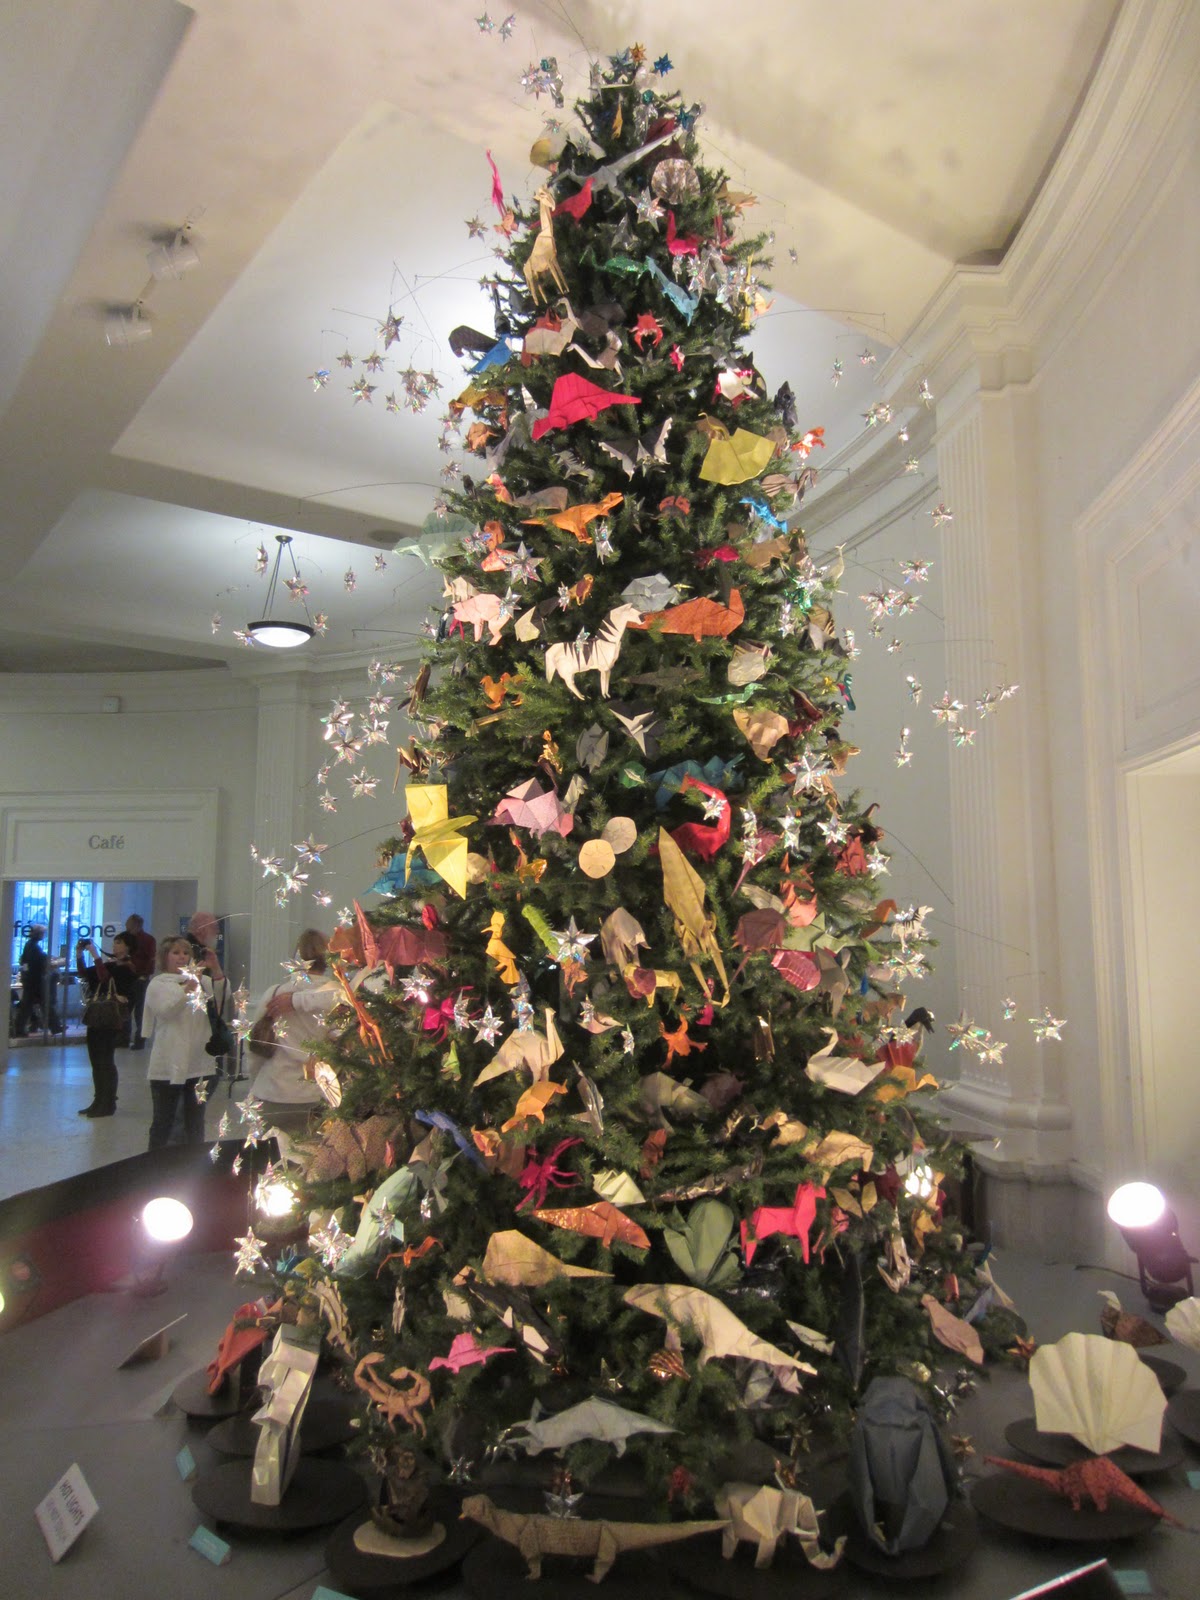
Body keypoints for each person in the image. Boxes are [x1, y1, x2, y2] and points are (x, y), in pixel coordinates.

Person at [249, 929, 339, 1134]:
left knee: (268, 1161)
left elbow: (254, 1048)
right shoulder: (337, 995)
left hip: (272, 1089)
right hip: (315, 1094)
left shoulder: (275, 993)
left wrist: (253, 1081)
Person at [143, 935, 212, 1149]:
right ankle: (156, 1165)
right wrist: (187, 989)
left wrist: (215, 970)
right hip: (168, 1061)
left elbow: (223, 997)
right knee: (164, 1121)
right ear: (165, 958)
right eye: (175, 953)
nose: (181, 957)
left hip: (198, 1062)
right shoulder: (158, 984)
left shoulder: (203, 981)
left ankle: (192, 1165)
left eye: (185, 953)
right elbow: (166, 1012)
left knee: (195, 1122)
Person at [75, 933, 138, 1117]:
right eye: (115, 942)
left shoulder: (128, 967)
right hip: (97, 1016)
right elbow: (85, 975)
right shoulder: (110, 964)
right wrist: (79, 955)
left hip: (111, 1018)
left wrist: (95, 955)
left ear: (128, 947)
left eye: (119, 942)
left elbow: (106, 978)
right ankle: (98, 1099)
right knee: (96, 1060)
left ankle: (108, 1102)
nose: (115, 945)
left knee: (106, 1060)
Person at [13, 925, 61, 1036]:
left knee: (29, 1005)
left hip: (31, 981)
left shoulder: (29, 945)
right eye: (43, 933)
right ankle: (55, 1027)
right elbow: (39, 961)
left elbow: (25, 961)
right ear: (38, 934)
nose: (43, 936)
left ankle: (55, 1027)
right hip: (35, 982)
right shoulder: (34, 947)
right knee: (41, 1004)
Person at [123, 914, 157, 1049]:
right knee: (126, 1009)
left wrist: (144, 974)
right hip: (128, 978)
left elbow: (151, 959)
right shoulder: (127, 938)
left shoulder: (147, 940)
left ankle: (139, 1040)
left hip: (139, 978)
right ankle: (125, 1038)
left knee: (139, 1011)